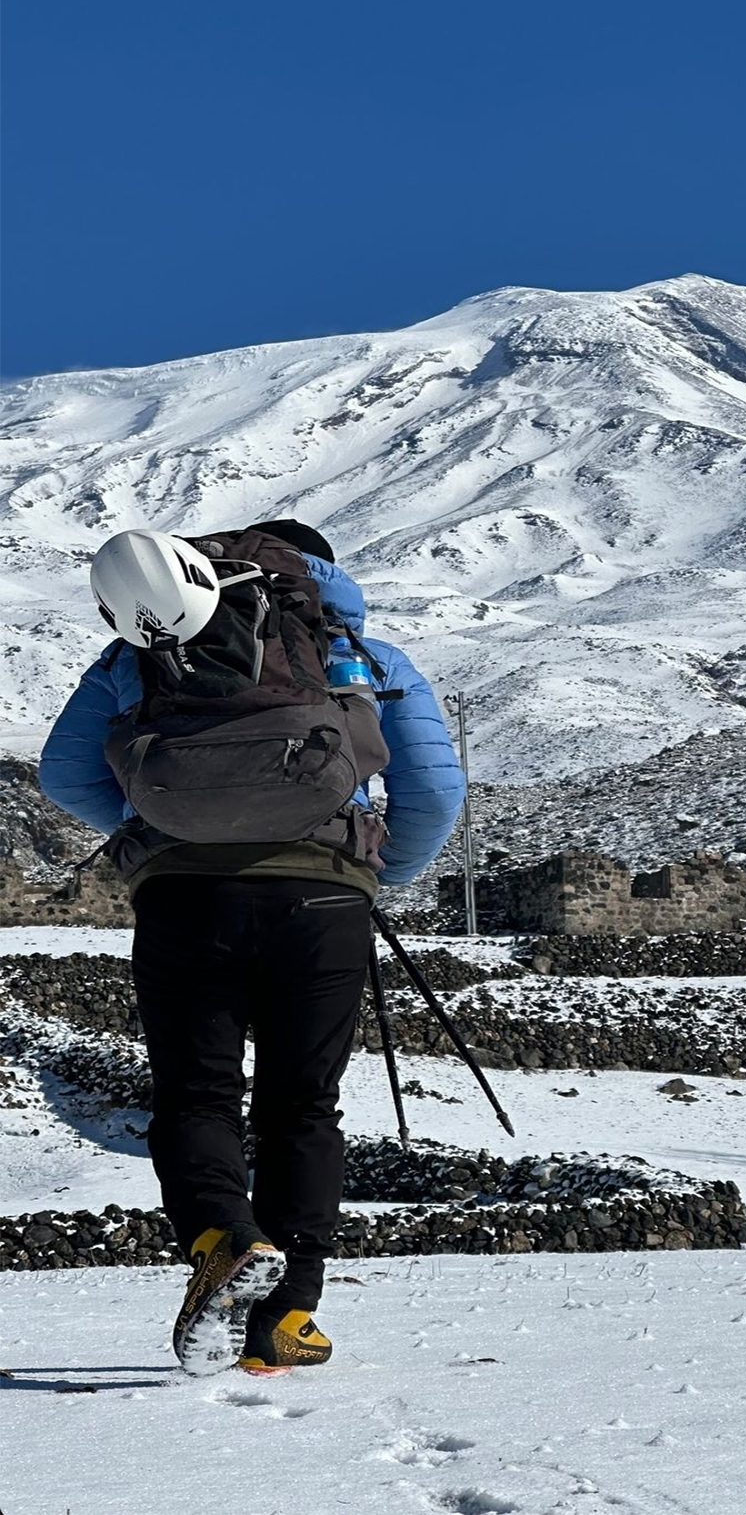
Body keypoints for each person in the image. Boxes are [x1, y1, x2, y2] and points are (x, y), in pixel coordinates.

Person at [39, 519, 465, 1375]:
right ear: (318, 580)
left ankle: (221, 1236)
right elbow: (434, 791)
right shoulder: (359, 651)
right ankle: (286, 1322)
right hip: (324, 899)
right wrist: (377, 870)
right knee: (301, 1108)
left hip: (184, 897)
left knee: (195, 1096)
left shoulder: (146, 650)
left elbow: (64, 774)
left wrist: (157, 831)